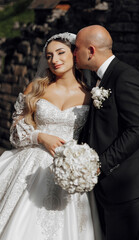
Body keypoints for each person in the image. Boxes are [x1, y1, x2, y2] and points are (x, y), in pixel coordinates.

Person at [0, 32, 101, 240]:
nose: (54, 60)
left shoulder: (90, 95)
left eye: (60, 53)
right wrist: (40, 137)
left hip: (70, 169)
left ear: (74, 54)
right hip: (33, 165)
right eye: (49, 56)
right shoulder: (36, 89)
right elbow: (15, 131)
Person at [74, 25, 139, 240]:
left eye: (77, 49)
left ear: (91, 51)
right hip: (107, 185)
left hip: (125, 185)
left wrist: (100, 165)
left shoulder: (126, 77)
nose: (74, 53)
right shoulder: (99, 77)